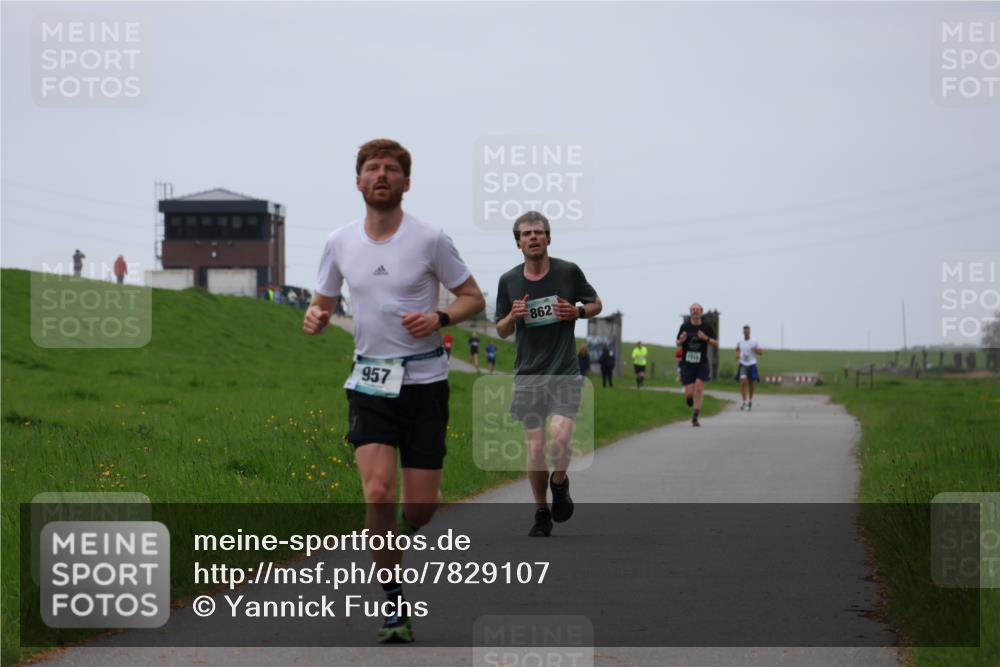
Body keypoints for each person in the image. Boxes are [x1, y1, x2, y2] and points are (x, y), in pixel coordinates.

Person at [304, 138, 485, 643]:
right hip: (369, 382)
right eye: (371, 168)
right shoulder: (339, 241)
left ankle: (394, 537)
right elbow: (322, 305)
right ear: (358, 180)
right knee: (378, 491)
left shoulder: (430, 239)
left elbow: (474, 297)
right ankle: (393, 604)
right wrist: (316, 318)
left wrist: (440, 315)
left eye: (390, 169)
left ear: (406, 182)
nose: (380, 175)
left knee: (420, 511)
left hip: (426, 384)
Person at [495, 210, 602, 537]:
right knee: (536, 449)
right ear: (518, 243)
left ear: (548, 238)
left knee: (561, 437)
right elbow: (500, 330)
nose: (533, 237)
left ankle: (560, 482)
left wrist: (578, 311)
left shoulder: (568, 272)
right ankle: (541, 511)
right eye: (526, 234)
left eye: (538, 232)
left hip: (564, 371)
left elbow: (597, 303)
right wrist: (513, 317)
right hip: (528, 375)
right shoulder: (509, 281)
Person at [676, 303, 718, 427]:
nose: (695, 311)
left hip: (701, 363)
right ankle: (689, 398)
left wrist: (705, 338)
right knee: (689, 393)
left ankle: (695, 416)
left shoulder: (706, 327)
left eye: (697, 310)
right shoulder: (684, 326)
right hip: (687, 364)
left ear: (701, 311)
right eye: (693, 310)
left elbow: (715, 343)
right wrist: (681, 340)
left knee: (699, 388)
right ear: (690, 311)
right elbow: (677, 342)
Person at [736, 324, 763, 411]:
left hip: (752, 364)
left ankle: (750, 401)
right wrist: (737, 354)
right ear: (743, 332)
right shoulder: (740, 341)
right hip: (743, 364)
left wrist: (755, 350)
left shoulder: (754, 341)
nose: (746, 333)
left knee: (751, 384)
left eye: (747, 331)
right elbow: (737, 348)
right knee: (743, 382)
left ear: (749, 332)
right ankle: (744, 402)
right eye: (745, 331)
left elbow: (761, 352)